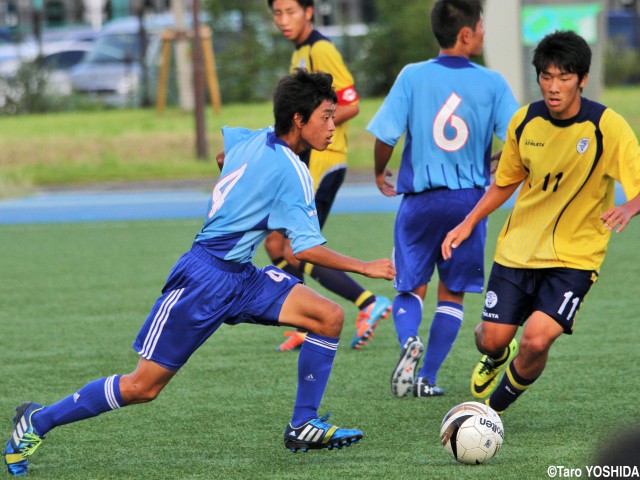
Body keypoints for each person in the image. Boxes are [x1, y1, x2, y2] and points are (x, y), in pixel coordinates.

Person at [3, 70, 396, 476]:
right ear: (298, 119)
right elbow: (306, 249)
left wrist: (243, 200)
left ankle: (303, 425)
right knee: (143, 387)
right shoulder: (293, 171)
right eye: (327, 117)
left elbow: (224, 157)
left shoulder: (254, 135)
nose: (333, 126)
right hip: (203, 278)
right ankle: (37, 421)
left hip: (242, 276)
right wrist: (365, 267)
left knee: (327, 317)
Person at [441, 30, 640, 414]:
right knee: (490, 339)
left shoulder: (606, 127)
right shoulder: (525, 122)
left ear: (581, 80)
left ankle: (489, 413)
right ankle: (498, 355)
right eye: (546, 77)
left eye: (564, 77)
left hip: (576, 256)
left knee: (536, 340)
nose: (554, 86)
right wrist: (468, 223)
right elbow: (505, 182)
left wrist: (629, 208)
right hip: (518, 249)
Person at [366, 0, 518, 398]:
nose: (484, 33)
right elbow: (519, 142)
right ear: (465, 34)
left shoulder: (412, 76)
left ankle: (407, 342)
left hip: (420, 202)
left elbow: (385, 135)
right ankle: (427, 378)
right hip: (468, 202)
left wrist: (380, 171)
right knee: (451, 292)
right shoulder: (493, 83)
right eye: (481, 27)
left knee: (409, 286)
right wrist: (496, 162)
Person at [267, 0, 392, 352]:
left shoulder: (321, 48)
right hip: (307, 159)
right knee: (277, 244)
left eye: (291, 11)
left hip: (324, 159)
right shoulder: (300, 53)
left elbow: (351, 102)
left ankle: (368, 302)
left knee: (297, 247)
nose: (283, 20)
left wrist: (314, 129)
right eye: (277, 13)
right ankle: (304, 321)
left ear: (309, 12)